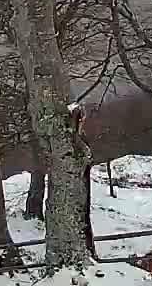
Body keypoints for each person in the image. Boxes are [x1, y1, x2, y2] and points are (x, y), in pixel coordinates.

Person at [68, 103, 97, 257]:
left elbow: (87, 159)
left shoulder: (79, 139)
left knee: (82, 218)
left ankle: (88, 250)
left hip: (81, 185)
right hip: (77, 187)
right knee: (80, 218)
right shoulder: (74, 140)